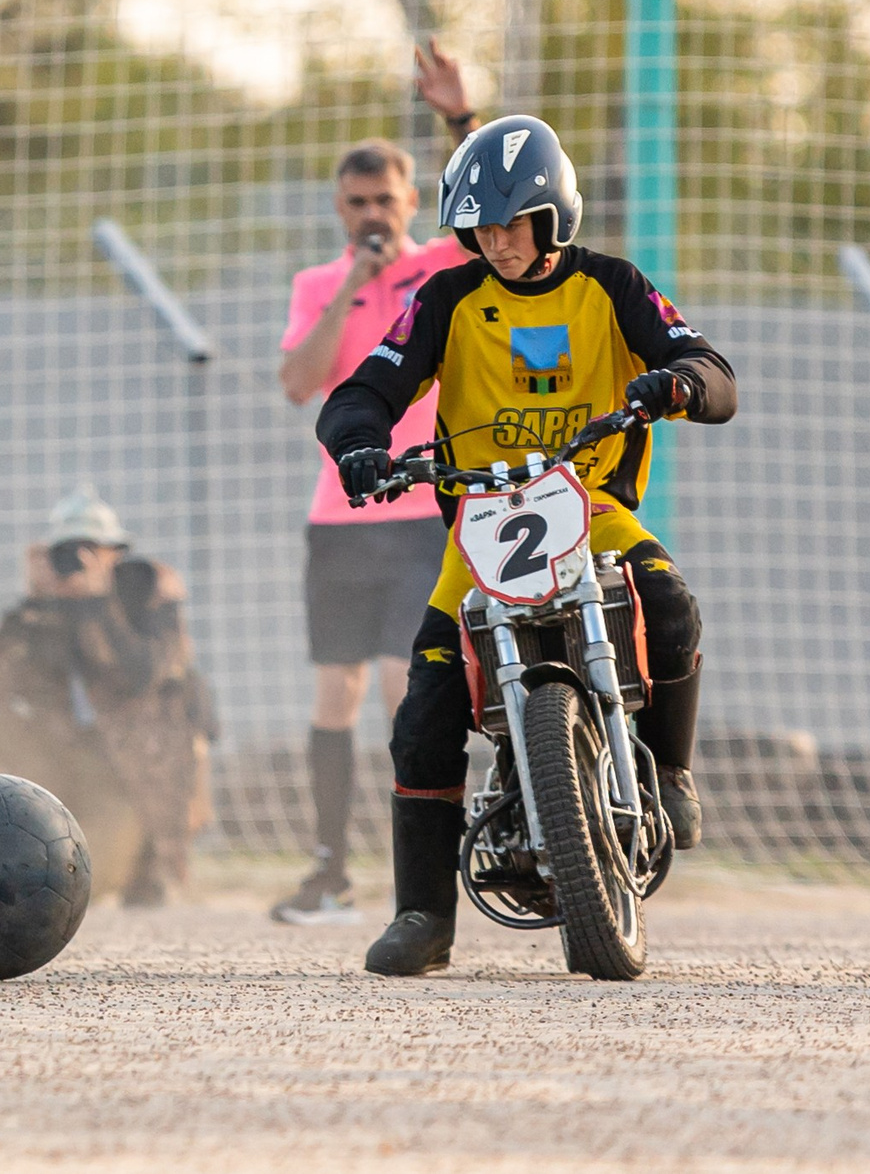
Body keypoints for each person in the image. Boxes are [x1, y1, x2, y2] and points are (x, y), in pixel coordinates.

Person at [318, 114, 735, 977]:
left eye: (511, 222)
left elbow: (711, 369)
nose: (495, 241)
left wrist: (678, 381)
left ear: (555, 216)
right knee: (424, 712)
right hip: (476, 533)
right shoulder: (447, 300)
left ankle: (672, 771)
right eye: (479, 226)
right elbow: (368, 385)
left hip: (595, 510)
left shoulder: (613, 286)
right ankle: (424, 915)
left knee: (669, 601)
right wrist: (359, 441)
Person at [270, 109, 475, 923]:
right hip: (339, 514)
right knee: (334, 693)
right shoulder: (318, 285)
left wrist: (460, 118)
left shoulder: (442, 267)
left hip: (422, 506)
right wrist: (354, 283)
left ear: (411, 197)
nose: (372, 214)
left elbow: (496, 218)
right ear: (339, 208)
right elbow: (298, 380)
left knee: (407, 683)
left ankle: (417, 868)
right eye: (357, 202)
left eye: (384, 199)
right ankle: (329, 868)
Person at [0, 486, 213, 905]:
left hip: (134, 767)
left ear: (114, 553)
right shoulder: (47, 606)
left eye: (90, 549)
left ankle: (147, 863)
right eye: (68, 550)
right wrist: (33, 602)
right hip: (69, 757)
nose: (77, 561)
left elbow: (142, 675)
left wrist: (97, 601)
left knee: (81, 881)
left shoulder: (144, 593)